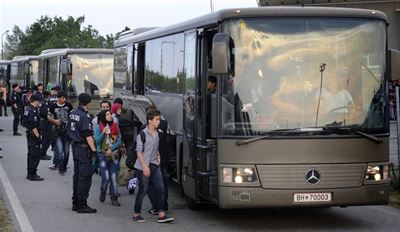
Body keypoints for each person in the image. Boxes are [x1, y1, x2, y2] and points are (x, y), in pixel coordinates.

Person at [133, 108, 174, 223]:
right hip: (142, 166)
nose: (159, 121)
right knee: (143, 190)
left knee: (161, 188)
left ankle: (161, 214)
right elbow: (139, 152)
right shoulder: (142, 134)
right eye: (156, 119)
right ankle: (136, 213)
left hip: (155, 164)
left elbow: (156, 147)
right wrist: (145, 167)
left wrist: (158, 154)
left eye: (159, 119)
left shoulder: (158, 134)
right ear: (150, 121)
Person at [67, 93, 97, 213]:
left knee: (77, 176)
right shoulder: (85, 116)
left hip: (75, 147)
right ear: (88, 102)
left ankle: (75, 202)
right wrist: (94, 150)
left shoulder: (73, 113)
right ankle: (82, 204)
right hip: (84, 149)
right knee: (85, 177)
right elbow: (88, 135)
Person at [94, 110, 122, 206]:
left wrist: (111, 148)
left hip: (114, 155)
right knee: (105, 177)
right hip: (103, 156)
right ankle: (103, 190)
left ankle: (114, 197)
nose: (110, 116)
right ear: (103, 116)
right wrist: (103, 133)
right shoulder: (98, 127)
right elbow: (97, 142)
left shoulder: (115, 126)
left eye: (110, 114)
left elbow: (119, 140)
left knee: (113, 177)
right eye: (107, 114)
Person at [48, 91, 73, 175]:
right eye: (62, 98)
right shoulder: (53, 106)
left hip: (67, 131)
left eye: (65, 98)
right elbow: (49, 117)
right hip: (57, 131)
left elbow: (72, 116)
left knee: (66, 151)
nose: (64, 99)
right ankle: (61, 168)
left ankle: (64, 165)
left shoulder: (68, 105)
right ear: (59, 98)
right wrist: (54, 121)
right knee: (60, 150)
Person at [24, 94, 44, 181]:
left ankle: (30, 173)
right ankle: (33, 174)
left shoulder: (29, 109)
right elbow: (33, 126)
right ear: (35, 101)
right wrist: (38, 137)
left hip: (30, 135)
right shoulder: (32, 111)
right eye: (39, 101)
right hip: (34, 135)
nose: (40, 103)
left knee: (31, 155)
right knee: (35, 155)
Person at [39, 91, 52, 160]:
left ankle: (43, 153)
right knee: (46, 139)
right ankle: (42, 154)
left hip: (46, 123)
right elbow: (44, 114)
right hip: (45, 123)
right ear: (49, 96)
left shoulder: (44, 102)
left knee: (47, 139)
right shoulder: (44, 103)